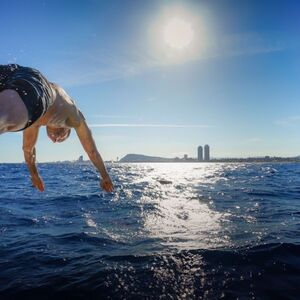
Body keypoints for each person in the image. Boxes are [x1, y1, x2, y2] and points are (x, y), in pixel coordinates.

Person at [0, 64, 114, 192]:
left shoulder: (37, 120)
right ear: (67, 129)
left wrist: (34, 175)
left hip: (16, 75)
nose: (55, 140)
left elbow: (28, 149)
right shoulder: (74, 118)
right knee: (7, 121)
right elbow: (92, 152)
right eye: (62, 137)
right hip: (36, 84)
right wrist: (105, 176)